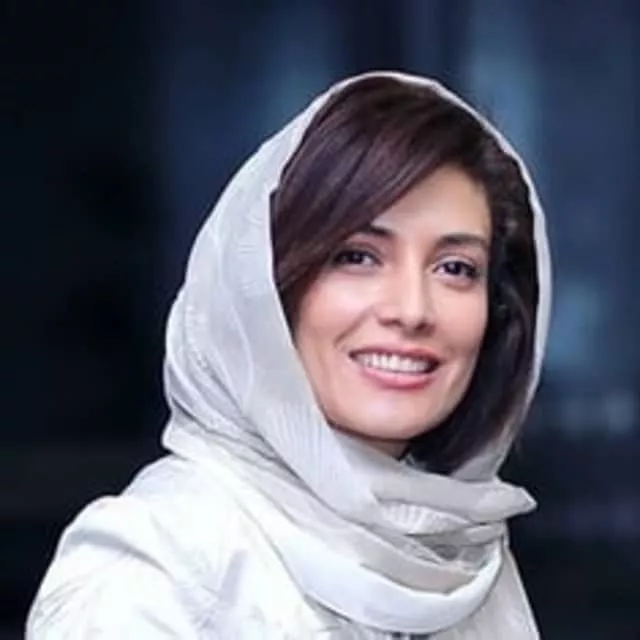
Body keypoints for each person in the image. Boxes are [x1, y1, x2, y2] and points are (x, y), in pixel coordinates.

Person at [27, 71, 551, 639]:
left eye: (455, 268)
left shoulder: (452, 554)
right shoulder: (160, 567)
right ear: (268, 287)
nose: (411, 309)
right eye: (357, 257)